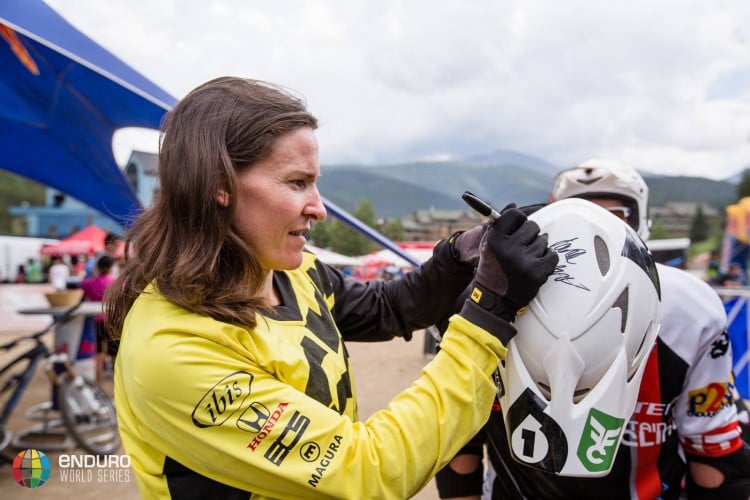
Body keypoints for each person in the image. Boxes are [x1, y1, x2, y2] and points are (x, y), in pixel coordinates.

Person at [103, 76, 559, 499]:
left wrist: (459, 255)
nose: (318, 209)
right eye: (297, 183)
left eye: (315, 183)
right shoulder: (173, 347)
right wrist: (491, 310)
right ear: (220, 186)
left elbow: (389, 307)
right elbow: (368, 470)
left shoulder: (290, 271)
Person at [437, 158, 750, 499]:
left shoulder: (691, 310)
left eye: (614, 216)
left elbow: (714, 450)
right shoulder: (485, 297)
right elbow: (460, 441)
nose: (595, 230)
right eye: (580, 213)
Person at [81, 255, 116, 382]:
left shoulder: (88, 283)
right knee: (114, 353)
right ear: (111, 267)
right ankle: (116, 382)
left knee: (99, 354)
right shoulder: (117, 282)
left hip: (95, 320)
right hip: (113, 320)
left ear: (98, 267)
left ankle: (99, 381)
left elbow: (81, 297)